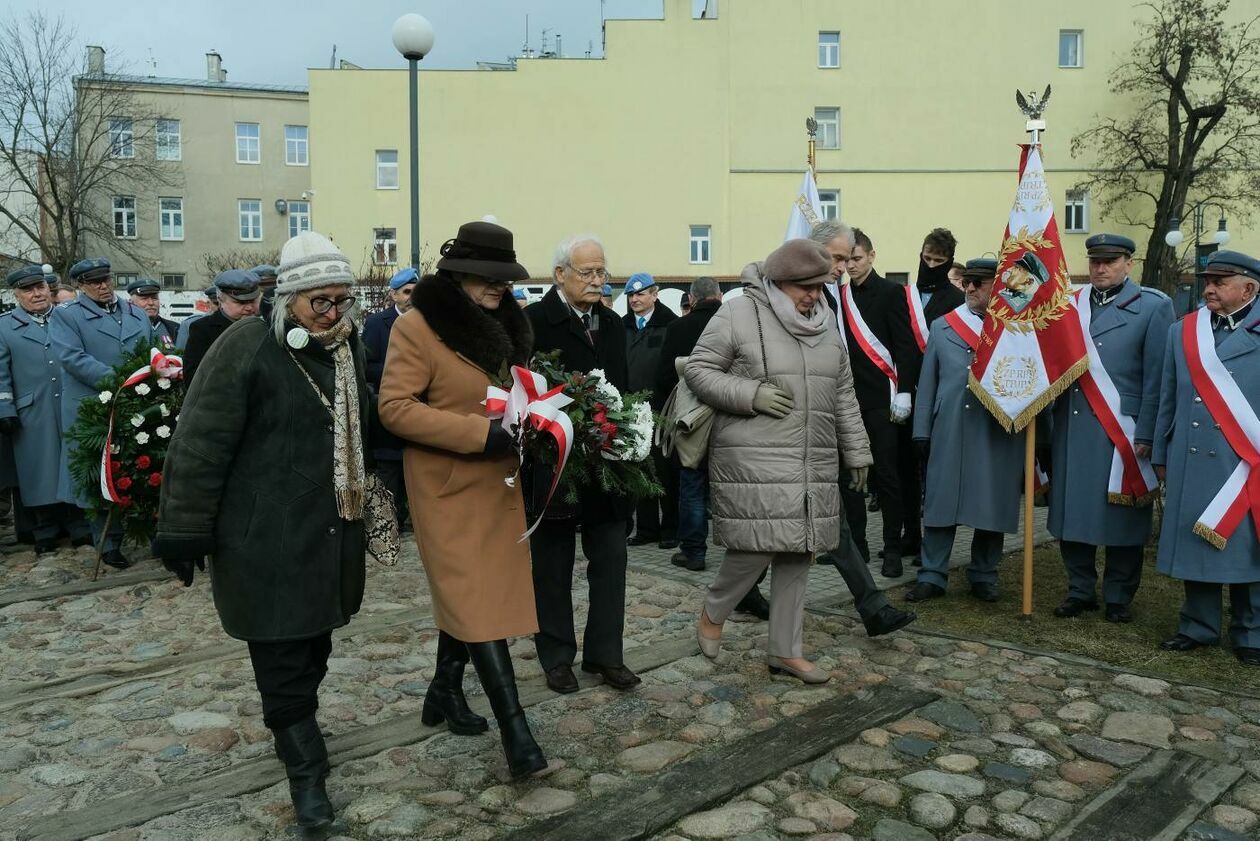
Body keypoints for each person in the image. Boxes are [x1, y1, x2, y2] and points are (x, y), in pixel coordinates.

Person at [154, 232, 373, 830]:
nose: (332, 313)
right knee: (279, 654)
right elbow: (200, 441)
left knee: (314, 644)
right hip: (262, 538)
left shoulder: (344, 351)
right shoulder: (247, 344)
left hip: (328, 535)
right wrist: (182, 528)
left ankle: (297, 723)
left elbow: (366, 423)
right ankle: (306, 774)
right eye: (319, 303)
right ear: (289, 298)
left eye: (341, 300)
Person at [380, 220, 547, 777]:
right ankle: (516, 733)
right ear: (458, 276)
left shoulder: (504, 323)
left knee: (469, 598)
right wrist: (479, 434)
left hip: (498, 483)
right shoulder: (418, 328)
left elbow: (512, 390)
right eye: (488, 277)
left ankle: (444, 691)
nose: (500, 286)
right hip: (447, 485)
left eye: (505, 277)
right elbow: (395, 407)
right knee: (477, 603)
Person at [688, 239, 872, 683]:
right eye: (803, 286)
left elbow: (843, 393)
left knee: (800, 551)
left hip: (814, 457)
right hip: (755, 455)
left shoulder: (827, 324)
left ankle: (785, 652)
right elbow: (698, 370)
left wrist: (858, 451)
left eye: (818, 285)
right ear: (778, 281)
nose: (812, 295)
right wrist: (751, 394)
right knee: (759, 545)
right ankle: (715, 609)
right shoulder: (737, 313)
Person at [525, 234, 641, 695]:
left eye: (602, 272)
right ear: (560, 275)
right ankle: (556, 657)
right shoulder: (534, 322)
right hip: (555, 462)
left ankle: (605, 655)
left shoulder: (611, 324)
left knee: (611, 558)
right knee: (552, 563)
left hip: (608, 465)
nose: (598, 281)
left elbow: (624, 388)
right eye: (588, 273)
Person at [1049, 234, 1174, 623]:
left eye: (1110, 261)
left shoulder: (1154, 307)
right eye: (1095, 261)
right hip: (1073, 425)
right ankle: (1080, 590)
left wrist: (1148, 434)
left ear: (1128, 263)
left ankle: (1118, 595)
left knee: (1122, 518)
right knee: (1073, 514)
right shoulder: (1071, 304)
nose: (1100, 268)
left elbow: (1158, 379)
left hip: (1123, 429)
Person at [1154, 250, 1260, 663]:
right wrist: (1160, 449)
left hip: (1246, 460)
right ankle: (1197, 626)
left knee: (1249, 549)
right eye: (1207, 281)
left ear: (1249, 288)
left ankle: (1251, 634)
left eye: (1220, 282)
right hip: (1192, 456)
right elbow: (1167, 398)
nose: (1209, 289)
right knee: (1197, 538)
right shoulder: (1184, 332)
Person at [905, 258, 1024, 602]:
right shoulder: (943, 326)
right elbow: (928, 382)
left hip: (997, 429)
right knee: (941, 503)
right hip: (950, 426)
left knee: (992, 504)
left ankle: (984, 575)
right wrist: (921, 429)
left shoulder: (1018, 330)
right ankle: (931, 575)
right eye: (968, 281)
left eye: (979, 282)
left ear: (999, 287)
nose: (969, 288)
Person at [811, 223, 919, 577]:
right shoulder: (837, 296)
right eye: (847, 259)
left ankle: (892, 548)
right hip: (847, 399)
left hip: (882, 399)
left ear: (871, 256)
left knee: (887, 476)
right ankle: (856, 545)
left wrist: (904, 389)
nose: (851, 266)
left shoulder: (892, 292)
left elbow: (905, 345)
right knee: (850, 478)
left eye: (856, 258)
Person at [50, 257, 153, 569]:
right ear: (81, 285)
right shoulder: (67, 317)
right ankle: (107, 542)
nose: (104, 286)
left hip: (136, 403)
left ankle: (145, 530)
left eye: (106, 279)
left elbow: (150, 351)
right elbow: (72, 358)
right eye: (95, 282)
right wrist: (121, 379)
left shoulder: (135, 312)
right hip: (93, 406)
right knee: (99, 475)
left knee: (139, 466)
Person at [0, 266, 92, 554]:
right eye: (28, 289)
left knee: (74, 461)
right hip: (32, 409)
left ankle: (80, 525)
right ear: (16, 294)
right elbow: (0, 372)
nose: (37, 293)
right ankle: (45, 529)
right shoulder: (4, 326)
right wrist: (5, 408)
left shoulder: (68, 317)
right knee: (38, 470)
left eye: (40, 287)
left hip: (71, 403)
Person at [657, 276, 722, 571]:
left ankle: (694, 551)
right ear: (719, 296)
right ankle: (742, 551)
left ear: (692, 300)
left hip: (690, 419)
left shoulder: (678, 327)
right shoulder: (732, 324)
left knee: (692, 484)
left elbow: (664, 377)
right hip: (729, 414)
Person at [623, 272, 680, 548]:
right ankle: (646, 529)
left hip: (661, 408)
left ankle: (670, 529)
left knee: (664, 470)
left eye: (641, 294)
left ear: (654, 295)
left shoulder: (670, 325)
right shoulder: (620, 326)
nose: (635, 299)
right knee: (639, 469)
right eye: (631, 295)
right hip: (631, 410)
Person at [363, 267, 417, 530]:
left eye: (415, 292)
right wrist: (400, 371)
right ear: (394, 295)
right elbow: (367, 365)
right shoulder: (376, 324)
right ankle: (386, 521)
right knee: (389, 469)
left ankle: (413, 518)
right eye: (406, 292)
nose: (411, 297)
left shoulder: (426, 323)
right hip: (388, 410)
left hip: (419, 409)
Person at [182, 270, 262, 385]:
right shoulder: (203, 329)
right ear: (220, 300)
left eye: (253, 300)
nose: (249, 307)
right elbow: (192, 377)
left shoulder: (266, 327)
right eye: (240, 302)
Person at [127, 278, 179, 347]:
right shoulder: (123, 329)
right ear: (131, 302)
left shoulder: (175, 329)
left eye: (154, 298)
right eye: (144, 299)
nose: (151, 303)